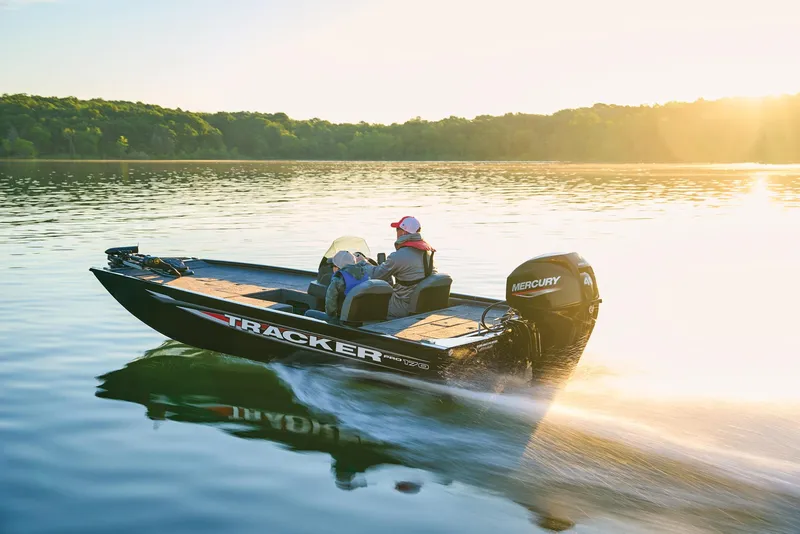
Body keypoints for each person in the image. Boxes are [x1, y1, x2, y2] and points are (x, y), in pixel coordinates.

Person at [363, 216, 436, 318]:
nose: (396, 233)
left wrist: (364, 263)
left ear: (404, 233)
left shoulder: (398, 256)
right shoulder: (427, 253)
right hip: (422, 304)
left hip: (403, 306)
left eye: (397, 229)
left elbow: (376, 275)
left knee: (366, 302)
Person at [305, 250, 369, 323]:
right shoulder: (364, 274)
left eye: (333, 265)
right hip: (360, 318)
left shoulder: (338, 279)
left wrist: (331, 315)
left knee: (308, 313)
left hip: (343, 320)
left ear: (337, 267)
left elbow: (330, 305)